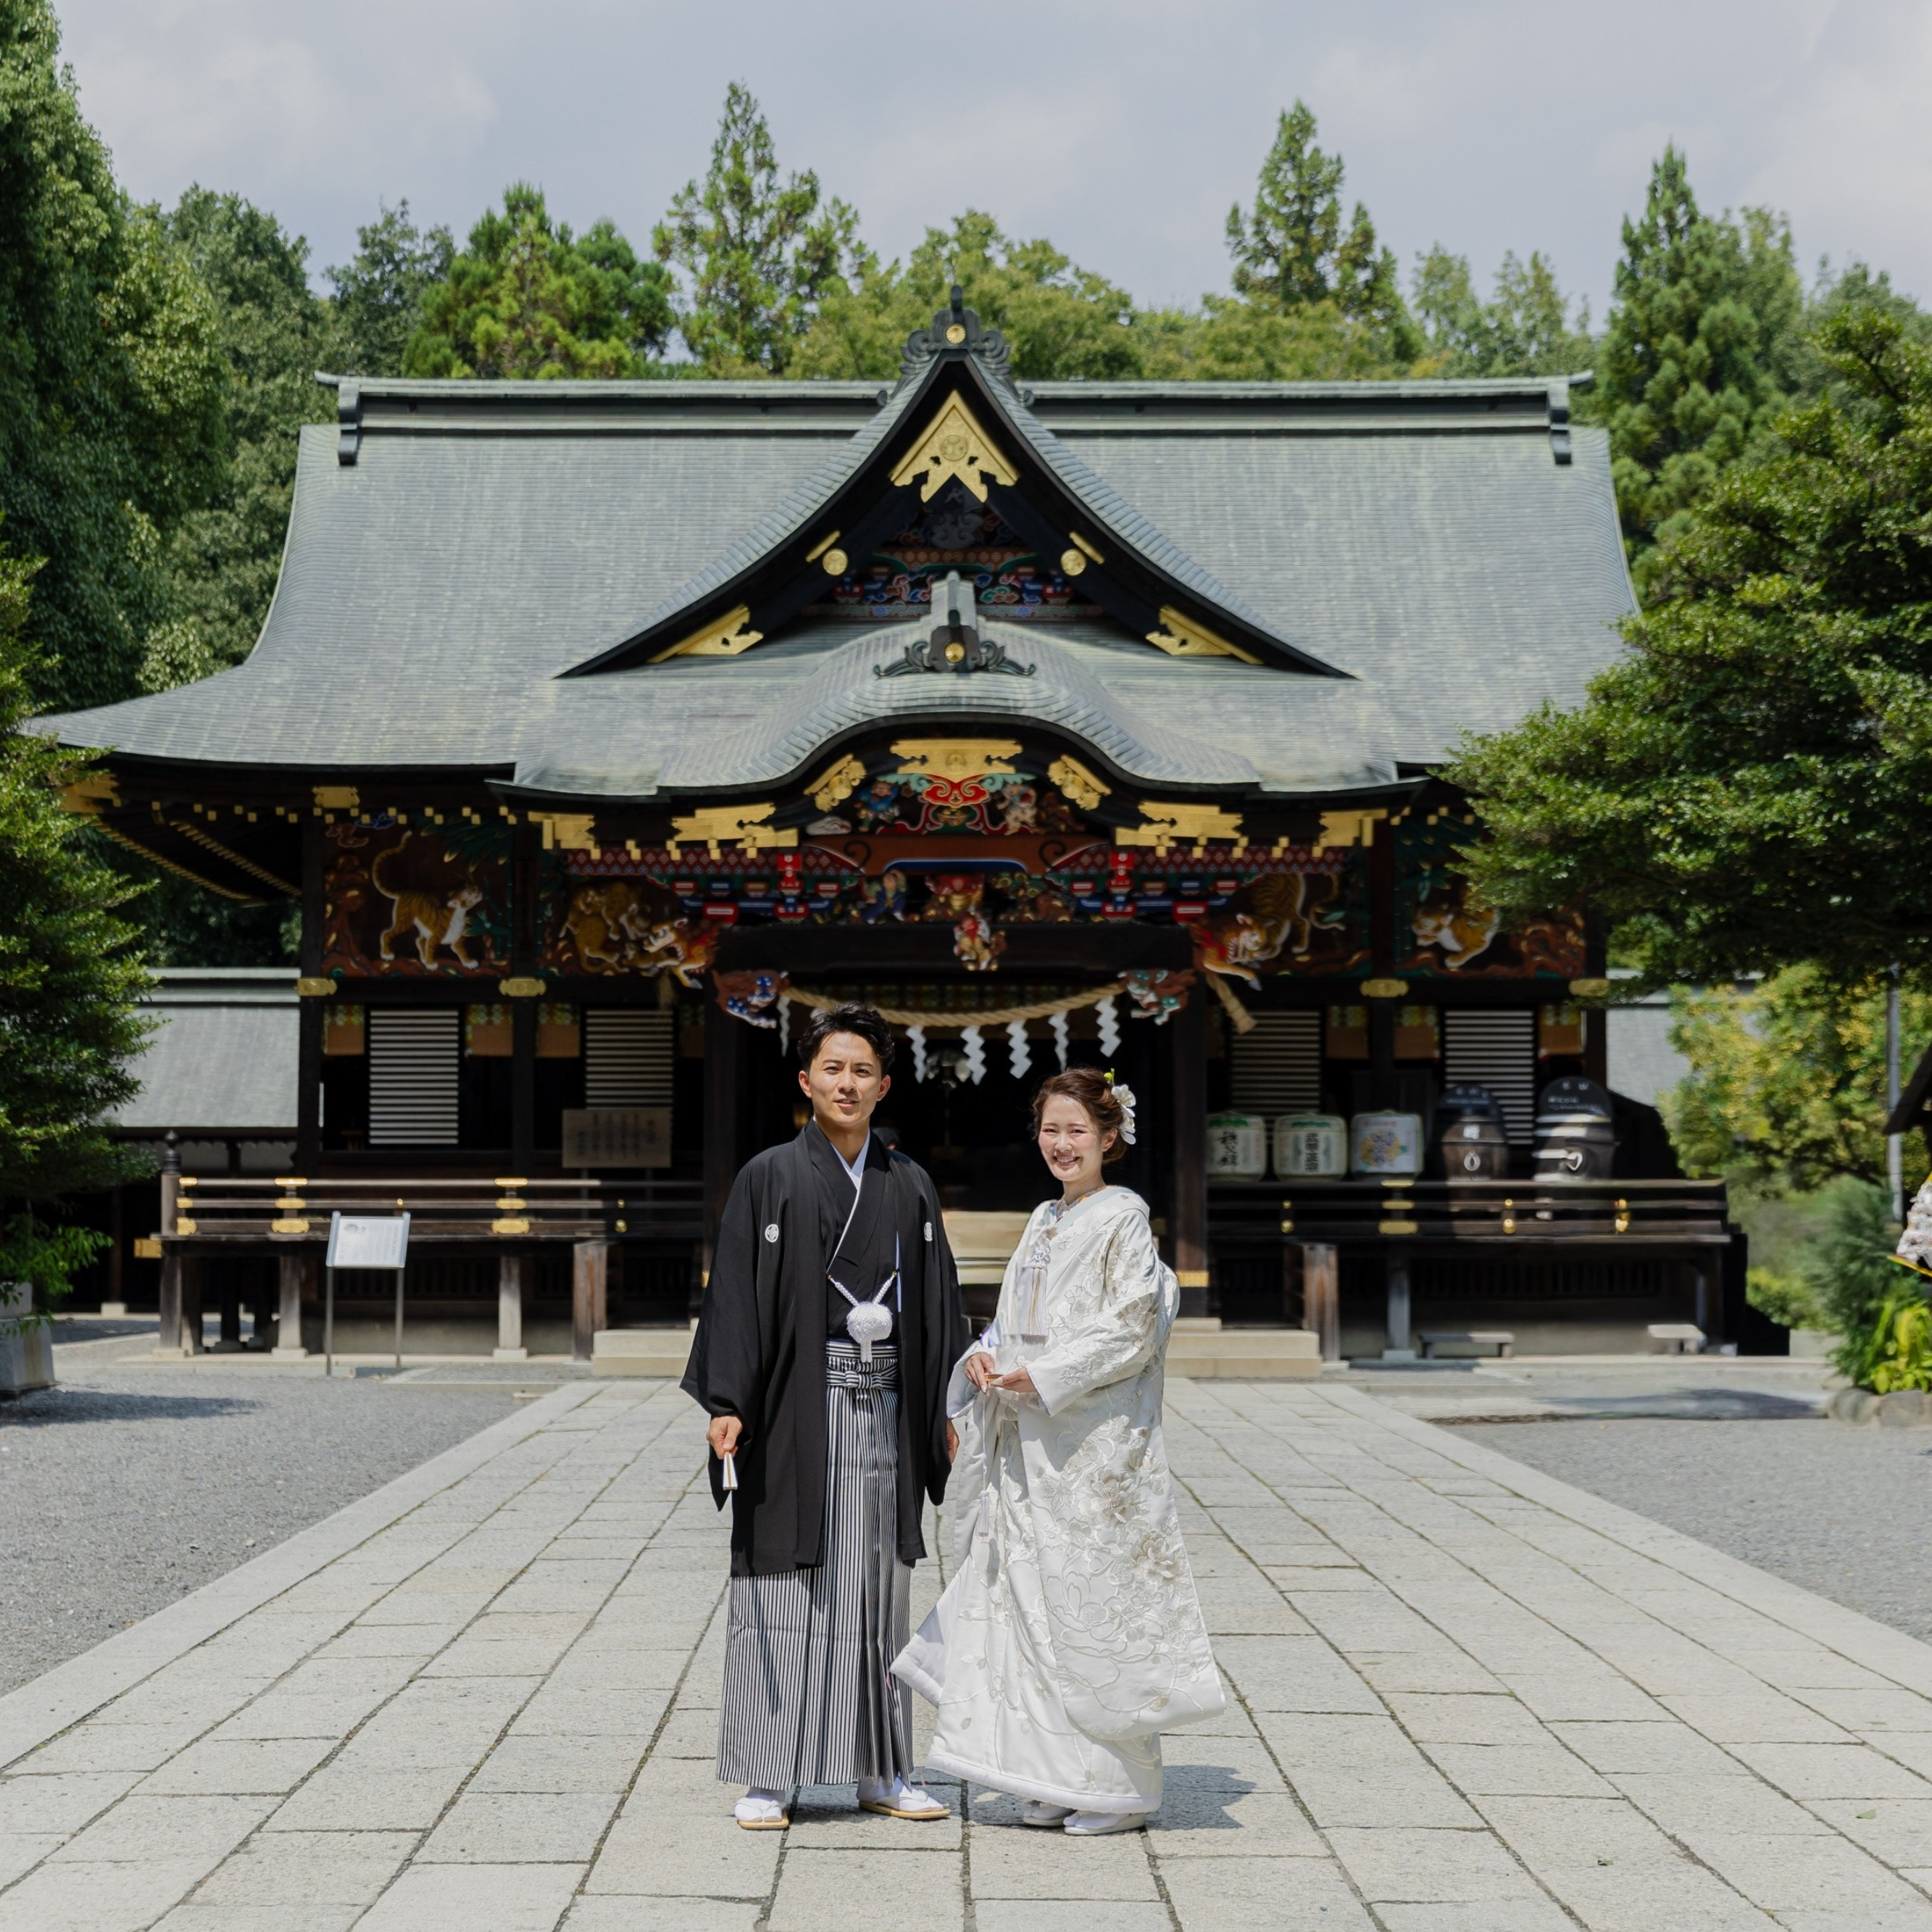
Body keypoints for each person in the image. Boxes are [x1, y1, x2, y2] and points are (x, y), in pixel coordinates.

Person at [894, 1066, 1224, 1833]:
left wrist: (1039, 1373)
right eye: (1050, 1128)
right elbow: (1015, 1318)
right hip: (1026, 1437)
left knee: (1094, 1611)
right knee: (1028, 1607)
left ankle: (1120, 1786)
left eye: (1077, 1130)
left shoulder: (1123, 1217)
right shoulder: (1044, 1217)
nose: (1061, 1143)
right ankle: (1048, 1772)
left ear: (1109, 1137)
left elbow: (1131, 1324)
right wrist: (981, 1354)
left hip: (1090, 1450)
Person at [683, 1003, 969, 1830]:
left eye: (863, 1071)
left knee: (877, 1582)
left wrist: (947, 1404)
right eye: (833, 1069)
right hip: (790, 1408)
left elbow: (941, 1302)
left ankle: (881, 1766)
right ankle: (771, 1772)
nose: (848, 1083)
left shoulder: (907, 1182)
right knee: (783, 1579)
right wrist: (727, 1400)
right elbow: (734, 1290)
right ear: (804, 1080)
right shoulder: (769, 1174)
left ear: (884, 1085)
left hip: (882, 1406)